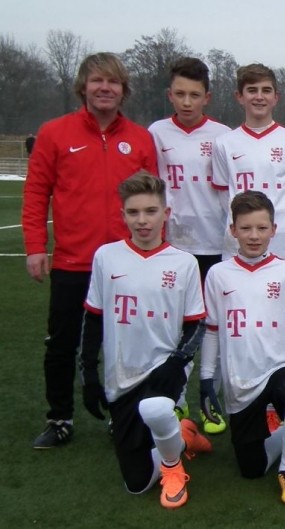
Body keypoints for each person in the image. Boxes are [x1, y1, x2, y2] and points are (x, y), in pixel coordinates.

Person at [23, 52, 158, 449]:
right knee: (62, 344)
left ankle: (123, 415)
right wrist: (35, 246)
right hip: (73, 261)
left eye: (113, 82)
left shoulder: (140, 138)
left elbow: (153, 200)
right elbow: (36, 192)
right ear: (83, 86)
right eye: (98, 80)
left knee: (126, 344)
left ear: (123, 90)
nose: (105, 88)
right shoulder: (54, 133)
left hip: (126, 261)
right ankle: (60, 418)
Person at [79, 172, 211, 508]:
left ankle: (173, 467)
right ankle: (183, 436)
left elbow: (196, 325)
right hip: (121, 378)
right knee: (136, 484)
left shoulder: (184, 263)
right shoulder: (106, 256)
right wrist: (89, 374)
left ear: (166, 214)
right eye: (133, 212)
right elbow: (93, 318)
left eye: (151, 211)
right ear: (122, 215)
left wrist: (177, 364)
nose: (142, 220)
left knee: (155, 408)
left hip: (164, 372)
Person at [199, 191, 285, 505]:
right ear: (233, 230)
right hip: (240, 381)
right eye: (246, 228)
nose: (254, 236)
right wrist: (206, 378)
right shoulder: (218, 274)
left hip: (281, 368)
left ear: (273, 230)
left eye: (262, 228)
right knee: (251, 469)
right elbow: (212, 330)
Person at [148, 57, 232, 433]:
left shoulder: (222, 136)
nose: (186, 102)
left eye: (194, 95)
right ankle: (177, 403)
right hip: (172, 248)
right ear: (170, 94)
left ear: (207, 97)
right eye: (180, 94)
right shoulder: (156, 133)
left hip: (216, 246)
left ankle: (218, 402)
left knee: (218, 329)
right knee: (175, 331)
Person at [211, 63, 285, 263]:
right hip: (239, 243)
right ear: (239, 97)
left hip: (283, 241)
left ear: (276, 97)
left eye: (266, 90)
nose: (259, 96)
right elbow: (224, 195)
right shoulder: (223, 144)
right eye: (252, 90)